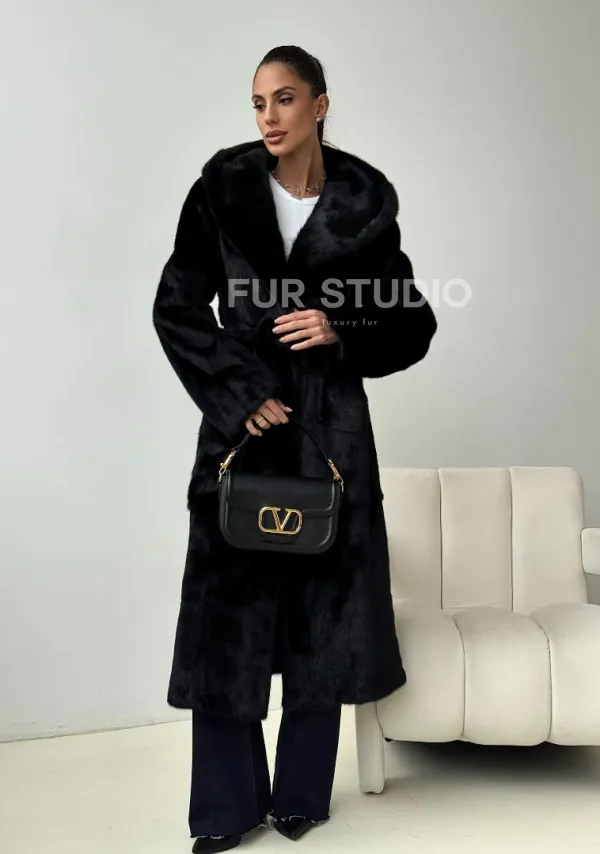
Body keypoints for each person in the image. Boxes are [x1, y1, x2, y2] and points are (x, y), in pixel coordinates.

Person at [152, 45, 437, 853]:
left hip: (328, 430)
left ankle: (302, 796)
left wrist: (340, 327)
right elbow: (176, 307)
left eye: (283, 98)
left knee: (324, 615)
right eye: (257, 102)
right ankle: (225, 810)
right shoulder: (221, 192)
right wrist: (241, 394)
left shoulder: (362, 205)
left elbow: (412, 322)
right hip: (244, 431)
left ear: (319, 104)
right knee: (227, 623)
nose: (268, 117)